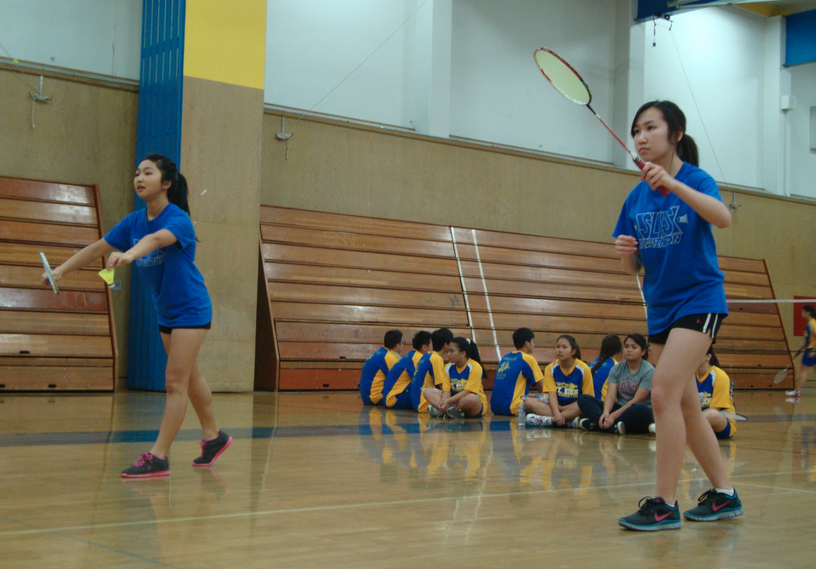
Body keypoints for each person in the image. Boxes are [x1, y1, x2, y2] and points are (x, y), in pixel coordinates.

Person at [42, 154, 230, 478]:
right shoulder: (133, 221)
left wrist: (129, 254)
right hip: (167, 311)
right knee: (190, 376)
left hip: (191, 309)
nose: (139, 178)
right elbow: (95, 249)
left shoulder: (178, 219)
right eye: (137, 173)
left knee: (174, 382)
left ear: (166, 182)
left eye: (148, 173)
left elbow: (156, 239)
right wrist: (59, 271)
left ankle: (158, 457)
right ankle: (214, 437)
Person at [614, 101, 742, 530]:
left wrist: (673, 183)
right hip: (661, 309)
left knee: (663, 393)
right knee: (685, 406)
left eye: (650, 127)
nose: (641, 137)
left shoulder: (695, 179)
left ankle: (664, 504)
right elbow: (636, 267)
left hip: (700, 299)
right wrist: (627, 256)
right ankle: (724, 494)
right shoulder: (635, 196)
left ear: (676, 134)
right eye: (636, 131)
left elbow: (723, 218)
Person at [577, 334, 654, 435]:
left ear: (643, 352)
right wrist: (606, 413)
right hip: (619, 407)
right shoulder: (616, 368)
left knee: (641, 409)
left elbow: (637, 400)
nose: (629, 350)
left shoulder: (649, 371)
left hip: (636, 411)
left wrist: (613, 416)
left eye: (633, 347)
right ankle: (611, 426)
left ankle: (597, 425)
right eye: (626, 347)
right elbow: (611, 395)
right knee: (583, 399)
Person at [524, 335, 593, 428]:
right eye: (557, 347)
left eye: (564, 347)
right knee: (529, 402)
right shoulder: (550, 368)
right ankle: (568, 421)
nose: (560, 350)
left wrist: (562, 409)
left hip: (574, 407)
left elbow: (587, 398)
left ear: (573, 351)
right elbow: (552, 394)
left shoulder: (584, 369)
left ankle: (550, 421)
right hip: (555, 407)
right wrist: (556, 412)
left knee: (585, 405)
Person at [490, 328, 545, 416]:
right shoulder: (528, 358)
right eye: (532, 342)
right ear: (527, 343)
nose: (534, 344)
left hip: (495, 408)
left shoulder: (505, 357)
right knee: (549, 400)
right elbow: (544, 387)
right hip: (513, 408)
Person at [431, 337, 488, 419]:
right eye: (448, 351)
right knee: (427, 391)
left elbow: (467, 392)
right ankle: (449, 410)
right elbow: (446, 391)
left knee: (470, 398)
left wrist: (448, 401)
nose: (448, 354)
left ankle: (444, 411)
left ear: (462, 354)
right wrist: (444, 401)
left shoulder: (475, 367)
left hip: (473, 403)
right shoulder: (448, 367)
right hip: (453, 401)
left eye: (452, 351)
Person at [693, 347, 737, 439]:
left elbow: (715, 410)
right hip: (697, 422)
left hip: (722, 424)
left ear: (708, 357)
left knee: (712, 415)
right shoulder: (690, 376)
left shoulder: (719, 376)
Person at [383, 331, 431, 409]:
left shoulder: (413, 355)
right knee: (429, 396)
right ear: (424, 347)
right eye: (431, 345)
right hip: (394, 398)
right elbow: (421, 381)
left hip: (393, 396)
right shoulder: (417, 357)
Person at [411, 328, 453, 414]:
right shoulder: (436, 359)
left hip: (416, 401)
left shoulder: (427, 356)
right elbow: (441, 386)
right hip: (424, 403)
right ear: (446, 345)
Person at [359, 330, 403, 406]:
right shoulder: (389, 357)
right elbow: (402, 378)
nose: (403, 345)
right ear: (397, 345)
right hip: (374, 397)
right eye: (403, 342)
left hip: (367, 396)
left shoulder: (382, 352)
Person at [788, 305, 816, 397]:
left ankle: (797, 391)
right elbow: (808, 341)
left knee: (803, 370)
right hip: (810, 349)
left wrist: (814, 351)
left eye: (803, 311)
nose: (801, 314)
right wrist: (799, 350)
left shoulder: (813, 323)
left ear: (808, 312)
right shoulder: (809, 324)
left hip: (811, 351)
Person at [587, 334, 623, 402]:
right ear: (619, 351)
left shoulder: (592, 363)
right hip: (603, 406)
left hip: (588, 404)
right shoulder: (616, 366)